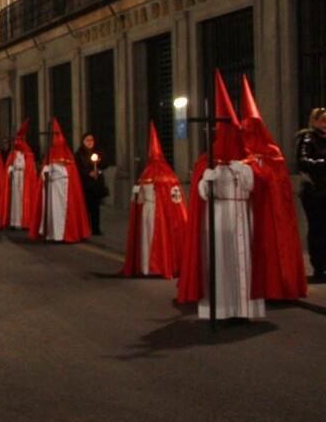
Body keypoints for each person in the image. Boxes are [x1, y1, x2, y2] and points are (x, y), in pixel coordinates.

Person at [177, 71, 263, 319]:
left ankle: (245, 310)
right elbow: (201, 194)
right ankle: (222, 310)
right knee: (220, 263)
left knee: (243, 263)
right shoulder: (208, 161)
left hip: (242, 216)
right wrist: (207, 179)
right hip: (218, 216)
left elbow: (253, 186)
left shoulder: (246, 161)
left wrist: (240, 169)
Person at [240, 75, 306, 300]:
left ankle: (276, 286)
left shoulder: (273, 154)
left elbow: (276, 181)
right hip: (245, 212)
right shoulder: (240, 154)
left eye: (252, 128)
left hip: (270, 212)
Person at [121, 122, 187, 278]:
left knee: (147, 239)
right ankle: (161, 265)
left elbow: (138, 200)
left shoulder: (145, 175)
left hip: (148, 210)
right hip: (165, 214)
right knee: (163, 240)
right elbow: (177, 200)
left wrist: (136, 194)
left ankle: (147, 267)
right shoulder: (169, 175)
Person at [35, 119, 91, 243]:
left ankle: (62, 234)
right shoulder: (50, 154)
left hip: (63, 190)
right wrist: (46, 171)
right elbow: (44, 172)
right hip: (52, 188)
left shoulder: (69, 157)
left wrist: (55, 170)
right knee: (52, 212)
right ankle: (52, 234)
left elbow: (69, 173)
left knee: (62, 213)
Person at [296, 106, 326, 282]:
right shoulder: (307, 137)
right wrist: (323, 163)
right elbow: (302, 161)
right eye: (322, 120)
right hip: (315, 191)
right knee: (317, 228)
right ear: (314, 121)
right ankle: (319, 267)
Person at [0, 119, 41, 232]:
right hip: (14, 180)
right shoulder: (13, 153)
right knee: (15, 201)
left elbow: (27, 167)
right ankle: (14, 221)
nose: (17, 142)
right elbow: (9, 164)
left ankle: (24, 221)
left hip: (23, 180)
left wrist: (15, 168)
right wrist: (10, 169)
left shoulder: (28, 154)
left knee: (22, 201)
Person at [74, 132, 108, 235]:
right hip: (85, 184)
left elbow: (104, 164)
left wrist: (98, 169)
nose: (90, 142)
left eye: (91, 140)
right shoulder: (79, 154)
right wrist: (88, 173)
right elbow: (78, 169)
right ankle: (85, 228)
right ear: (83, 141)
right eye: (87, 140)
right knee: (86, 208)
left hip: (96, 184)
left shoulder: (98, 152)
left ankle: (96, 228)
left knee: (96, 207)